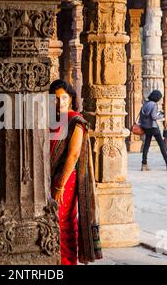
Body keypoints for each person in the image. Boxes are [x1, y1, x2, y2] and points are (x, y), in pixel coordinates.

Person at [49, 79, 102, 265]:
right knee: (51, 223)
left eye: (64, 98)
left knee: (63, 223)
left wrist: (60, 186)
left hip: (66, 180)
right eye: (55, 99)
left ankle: (67, 262)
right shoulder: (52, 121)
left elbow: (73, 155)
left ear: (71, 99)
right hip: (50, 179)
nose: (59, 102)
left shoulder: (75, 121)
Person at [139, 89, 167, 171]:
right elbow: (154, 117)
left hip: (146, 127)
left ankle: (144, 164)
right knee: (162, 145)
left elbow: (145, 114)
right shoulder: (154, 104)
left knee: (146, 145)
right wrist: (161, 117)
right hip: (153, 127)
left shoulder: (145, 103)